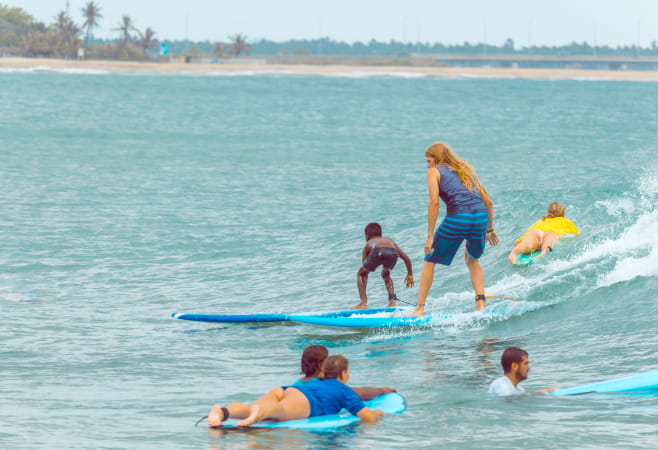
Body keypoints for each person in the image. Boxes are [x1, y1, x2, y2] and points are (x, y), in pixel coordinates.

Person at [409, 142, 499, 317]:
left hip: (459, 217)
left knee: (430, 258)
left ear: (437, 158)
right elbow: (488, 201)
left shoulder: (434, 172)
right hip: (480, 217)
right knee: (472, 260)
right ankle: (480, 303)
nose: (428, 165)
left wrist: (429, 237)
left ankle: (419, 308)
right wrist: (489, 229)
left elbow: (434, 202)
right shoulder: (465, 170)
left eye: (429, 161)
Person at [207, 355, 385, 427]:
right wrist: (377, 413)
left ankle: (223, 411)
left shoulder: (317, 381)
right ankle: (259, 413)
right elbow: (367, 417)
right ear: (344, 373)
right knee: (280, 412)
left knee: (251, 407)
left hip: (286, 390)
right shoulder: (344, 390)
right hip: (304, 401)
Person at [293, 345, 396, 400]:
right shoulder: (326, 384)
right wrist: (382, 390)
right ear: (321, 365)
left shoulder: (296, 385)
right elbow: (359, 393)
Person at [353, 222, 414, 309]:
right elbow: (406, 259)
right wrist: (410, 274)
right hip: (393, 252)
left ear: (367, 236)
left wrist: (370, 266)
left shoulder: (369, 243)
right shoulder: (389, 241)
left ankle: (363, 303)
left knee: (361, 273)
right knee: (386, 274)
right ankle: (392, 302)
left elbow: (364, 264)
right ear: (381, 234)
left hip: (376, 251)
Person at [508, 201, 579, 265]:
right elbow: (576, 235)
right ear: (563, 212)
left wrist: (519, 243)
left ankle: (513, 253)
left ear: (548, 212)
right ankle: (537, 257)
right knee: (546, 248)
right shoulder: (566, 222)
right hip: (551, 234)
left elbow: (520, 240)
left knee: (527, 245)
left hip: (537, 232)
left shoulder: (541, 221)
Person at [488, 347, 556, 396]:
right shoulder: (500, 384)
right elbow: (508, 398)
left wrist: (543, 392)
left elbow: (521, 394)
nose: (529, 367)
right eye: (525, 364)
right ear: (514, 366)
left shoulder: (517, 388)